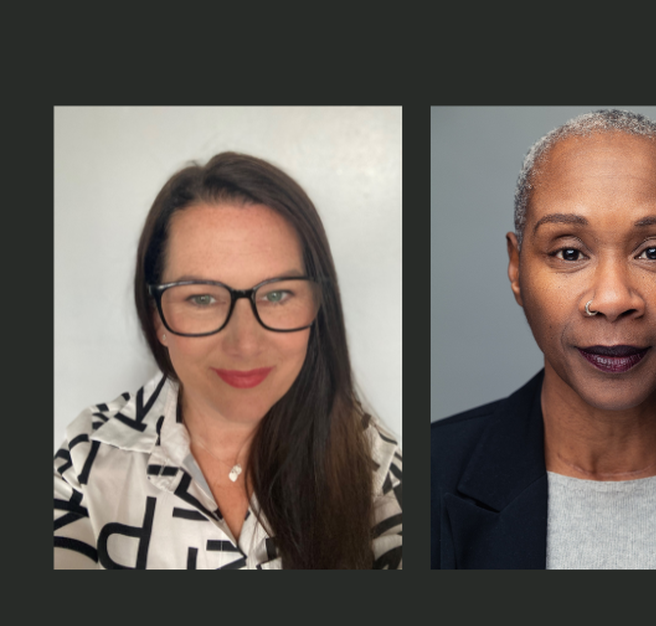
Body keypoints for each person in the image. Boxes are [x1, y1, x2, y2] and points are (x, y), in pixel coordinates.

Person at [431, 109, 656, 569]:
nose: (611, 299)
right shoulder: (426, 479)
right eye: (569, 252)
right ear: (517, 268)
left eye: (654, 251)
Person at [53, 152, 402, 569]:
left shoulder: (377, 467)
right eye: (201, 298)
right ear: (157, 318)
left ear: (317, 308)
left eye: (276, 295)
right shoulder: (83, 465)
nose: (245, 344)